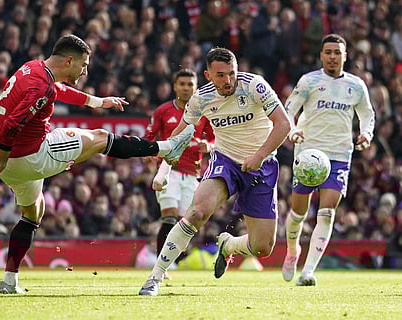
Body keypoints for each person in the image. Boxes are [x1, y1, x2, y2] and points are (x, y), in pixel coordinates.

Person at [0, 34, 194, 294]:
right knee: (101, 138)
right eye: (83, 64)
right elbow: (12, 126)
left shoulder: (34, 68)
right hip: (30, 156)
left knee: (33, 214)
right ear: (69, 60)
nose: (85, 70)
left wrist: (98, 102)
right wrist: (0, 162)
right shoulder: (41, 87)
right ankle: (167, 147)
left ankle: (9, 282)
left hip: (15, 164)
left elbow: (56, 90)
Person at [139, 47, 291, 296]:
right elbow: (179, 134)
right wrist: (164, 169)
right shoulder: (201, 98)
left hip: (261, 165)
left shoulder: (255, 85)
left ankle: (229, 245)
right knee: (197, 212)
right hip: (226, 161)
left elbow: (283, 124)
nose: (228, 80)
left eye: (232, 73)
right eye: (221, 75)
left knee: (263, 247)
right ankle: (154, 277)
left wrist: (259, 155)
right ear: (208, 75)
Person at [282, 34, 375, 286]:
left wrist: (366, 134)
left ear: (345, 56)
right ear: (321, 55)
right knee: (298, 212)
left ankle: (308, 271)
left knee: (327, 211)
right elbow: (288, 111)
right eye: (328, 52)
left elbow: (367, 114)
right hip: (308, 152)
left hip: (339, 155)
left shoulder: (356, 85)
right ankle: (292, 252)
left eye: (337, 52)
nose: (333, 56)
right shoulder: (309, 81)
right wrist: (292, 131)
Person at [145, 69, 214, 277]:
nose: (186, 88)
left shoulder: (204, 114)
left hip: (192, 174)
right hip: (170, 171)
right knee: (168, 216)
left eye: (189, 84)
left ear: (196, 88)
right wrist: (149, 155)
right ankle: (161, 266)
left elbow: (215, 138)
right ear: (175, 86)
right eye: (182, 84)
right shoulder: (163, 111)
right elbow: (150, 136)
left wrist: (208, 146)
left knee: (188, 222)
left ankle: (173, 260)